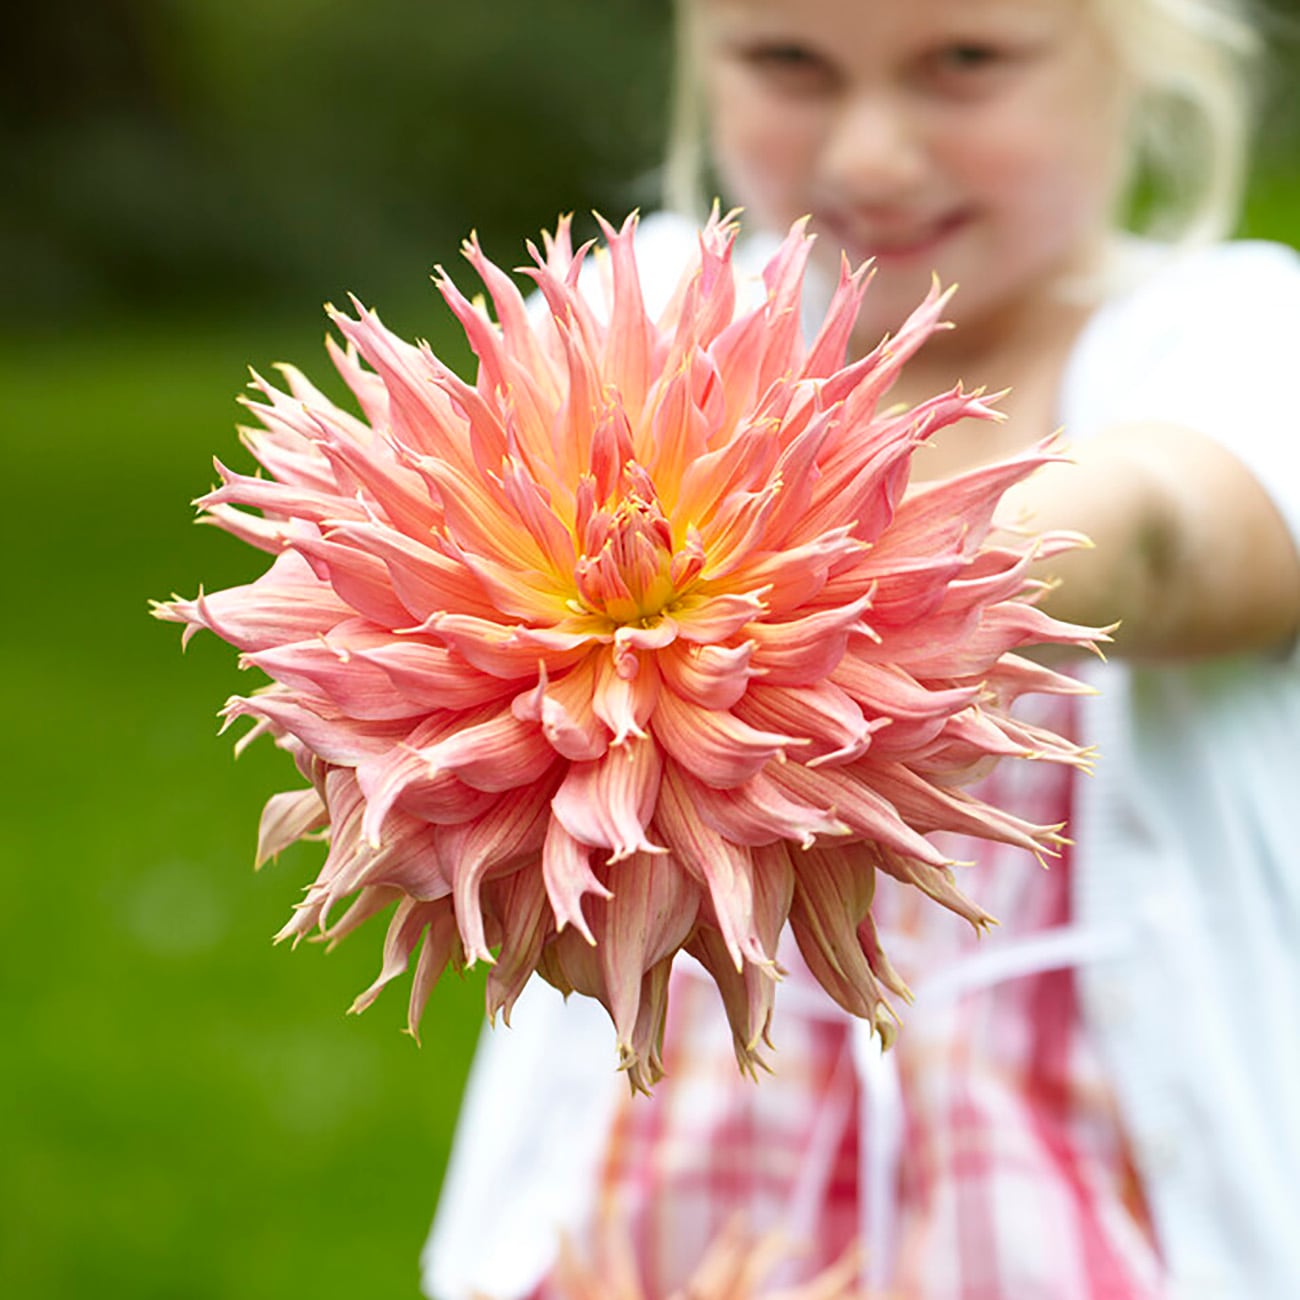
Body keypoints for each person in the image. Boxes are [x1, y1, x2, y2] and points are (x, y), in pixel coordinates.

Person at [423, 1, 1300, 1296]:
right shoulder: (649, 311)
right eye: (790, 63)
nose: (873, 155)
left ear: (1136, 59)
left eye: (965, 63)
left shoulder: (1232, 332)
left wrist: (864, 600)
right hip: (650, 1226)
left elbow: (1175, 530)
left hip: (1085, 1238)